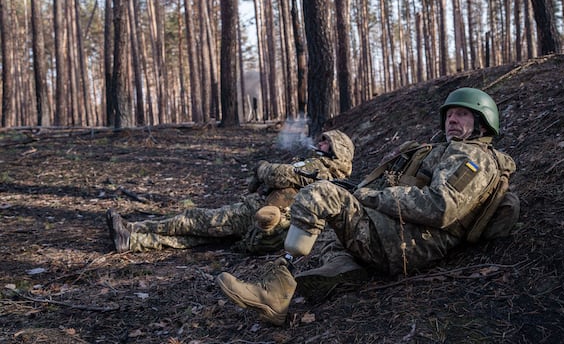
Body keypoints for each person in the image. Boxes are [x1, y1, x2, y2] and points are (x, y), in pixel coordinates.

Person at [217, 87, 520, 326]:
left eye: (462, 115)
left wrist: (372, 197)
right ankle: (344, 267)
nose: (452, 119)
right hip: (400, 233)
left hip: (409, 243)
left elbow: (440, 207)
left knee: (320, 195)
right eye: (449, 114)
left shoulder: (473, 158)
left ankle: (275, 293)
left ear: (482, 123)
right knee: (331, 213)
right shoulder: (445, 150)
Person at [106, 129, 355, 254]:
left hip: (258, 214)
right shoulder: (324, 172)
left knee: (195, 220)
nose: (320, 143)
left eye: (326, 142)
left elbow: (279, 175)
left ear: (336, 151)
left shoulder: (319, 168)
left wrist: (262, 168)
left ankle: (135, 230)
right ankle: (131, 239)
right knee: (198, 237)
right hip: (265, 221)